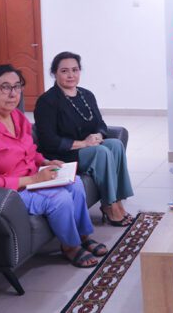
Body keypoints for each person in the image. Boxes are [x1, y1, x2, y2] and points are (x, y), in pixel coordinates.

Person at [0, 64, 107, 268]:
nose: (13, 94)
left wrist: (45, 162)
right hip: (0, 192)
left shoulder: (15, 116)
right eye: (5, 87)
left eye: (17, 86)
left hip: (27, 178)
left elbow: (29, 151)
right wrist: (35, 179)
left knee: (75, 183)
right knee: (59, 199)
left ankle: (83, 236)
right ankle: (70, 246)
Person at [34, 51, 134, 226]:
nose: (71, 75)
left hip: (86, 148)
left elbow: (100, 123)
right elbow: (49, 140)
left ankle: (118, 199)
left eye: (75, 70)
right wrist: (83, 143)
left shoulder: (86, 95)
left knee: (115, 145)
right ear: (54, 73)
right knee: (101, 152)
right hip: (63, 154)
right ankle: (109, 205)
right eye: (64, 71)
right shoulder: (47, 101)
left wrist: (98, 135)